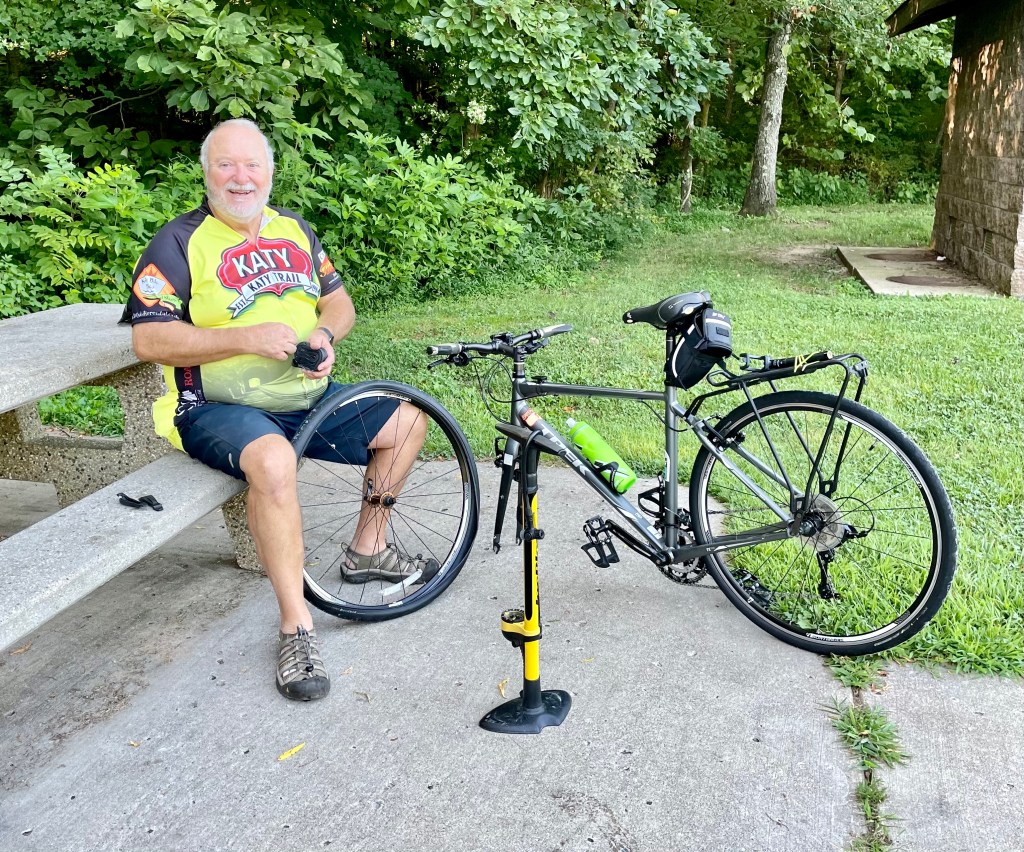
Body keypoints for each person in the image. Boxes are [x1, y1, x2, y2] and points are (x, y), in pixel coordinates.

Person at [127, 119, 433, 702]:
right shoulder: (177, 242)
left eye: (252, 164)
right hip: (216, 405)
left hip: (305, 398)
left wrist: (324, 335)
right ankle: (297, 626)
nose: (240, 177)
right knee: (273, 462)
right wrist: (245, 338)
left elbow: (339, 304)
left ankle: (368, 550)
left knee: (408, 422)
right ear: (206, 173)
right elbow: (149, 340)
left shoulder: (295, 229)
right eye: (226, 165)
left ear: (269, 171)